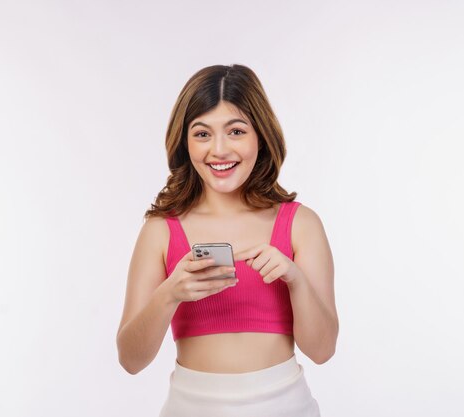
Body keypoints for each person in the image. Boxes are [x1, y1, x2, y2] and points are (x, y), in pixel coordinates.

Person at [116, 64, 339, 417]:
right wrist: (171, 292)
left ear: (260, 136)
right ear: (184, 142)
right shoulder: (160, 230)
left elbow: (323, 350)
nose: (219, 150)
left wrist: (295, 279)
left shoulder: (301, 224)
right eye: (202, 134)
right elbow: (130, 359)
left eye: (236, 131)